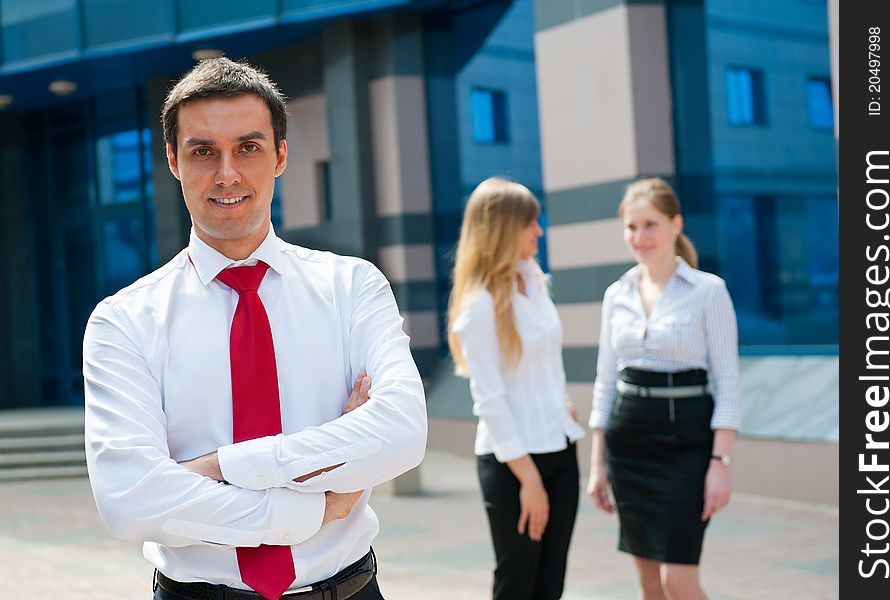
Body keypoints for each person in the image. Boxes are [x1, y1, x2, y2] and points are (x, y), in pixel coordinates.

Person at [82, 57, 427, 600]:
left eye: (248, 147)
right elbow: (128, 500)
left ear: (281, 155)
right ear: (173, 161)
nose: (227, 174)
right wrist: (313, 503)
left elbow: (404, 431)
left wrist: (221, 466)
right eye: (203, 152)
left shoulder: (353, 288)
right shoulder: (122, 322)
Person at [585, 177, 742, 600]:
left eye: (650, 225)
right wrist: (598, 463)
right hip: (629, 442)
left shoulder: (709, 291)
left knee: (679, 581)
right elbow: (605, 382)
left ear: (676, 224)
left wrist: (720, 460)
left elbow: (727, 382)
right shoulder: (615, 294)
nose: (640, 237)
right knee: (650, 585)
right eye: (631, 227)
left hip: (688, 443)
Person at [447, 177, 585, 600]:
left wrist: (558, 403)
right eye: (531, 223)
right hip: (512, 465)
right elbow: (490, 399)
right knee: (517, 584)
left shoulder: (535, 280)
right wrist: (529, 480)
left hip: (560, 449)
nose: (539, 232)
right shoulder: (479, 307)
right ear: (504, 229)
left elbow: (541, 362)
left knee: (550, 585)